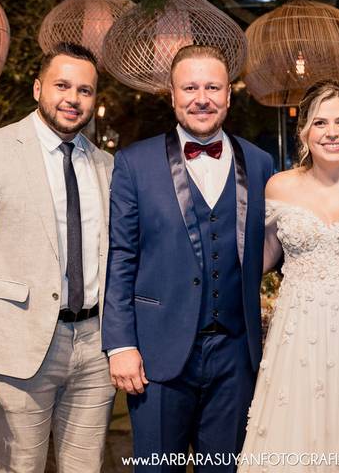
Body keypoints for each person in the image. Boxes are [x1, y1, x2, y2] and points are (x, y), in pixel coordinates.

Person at [0, 42, 116, 472]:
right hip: (19, 346)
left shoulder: (107, 165)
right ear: (38, 88)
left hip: (95, 347)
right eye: (62, 85)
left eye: (85, 90)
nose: (73, 99)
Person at [102, 44, 274, 470]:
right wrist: (120, 344)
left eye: (212, 87)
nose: (202, 98)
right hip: (157, 353)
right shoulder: (134, 163)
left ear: (229, 95)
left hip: (236, 355)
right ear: (173, 95)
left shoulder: (260, 163)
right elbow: (121, 257)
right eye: (190, 88)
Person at [239, 80, 339, 472]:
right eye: (320, 122)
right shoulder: (280, 187)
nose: (332, 132)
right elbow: (261, 258)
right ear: (304, 132)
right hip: (298, 336)